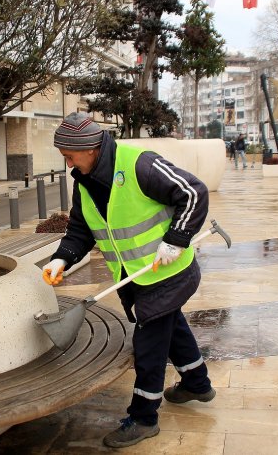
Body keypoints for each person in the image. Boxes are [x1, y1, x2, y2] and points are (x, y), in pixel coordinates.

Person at [42, 112, 215, 448]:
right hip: (134, 276)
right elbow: (81, 229)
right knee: (171, 324)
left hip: (169, 272)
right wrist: (62, 257)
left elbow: (193, 193)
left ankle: (143, 417)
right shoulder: (85, 181)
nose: (67, 164)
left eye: (69, 156)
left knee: (149, 342)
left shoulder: (140, 164)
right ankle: (196, 382)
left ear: (90, 148)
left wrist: (177, 238)